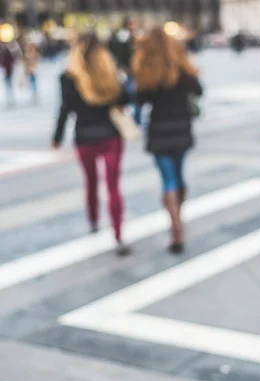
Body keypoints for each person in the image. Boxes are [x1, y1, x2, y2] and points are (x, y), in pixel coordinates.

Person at [52, 34, 132, 256]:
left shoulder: (68, 78)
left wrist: (57, 137)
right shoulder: (110, 74)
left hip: (85, 138)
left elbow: (65, 109)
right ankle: (118, 234)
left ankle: (94, 221)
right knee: (114, 187)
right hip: (111, 137)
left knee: (91, 183)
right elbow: (125, 100)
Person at [134, 27, 203, 254]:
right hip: (181, 128)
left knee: (168, 180)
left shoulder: (148, 70)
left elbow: (139, 99)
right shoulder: (180, 67)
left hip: (159, 130)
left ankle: (176, 227)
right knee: (179, 176)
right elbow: (199, 90)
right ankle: (178, 218)